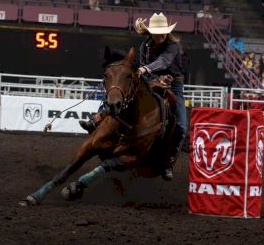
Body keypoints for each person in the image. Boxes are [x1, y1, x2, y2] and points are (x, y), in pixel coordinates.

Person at [80, 13, 186, 181]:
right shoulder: (145, 45)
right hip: (151, 79)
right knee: (123, 93)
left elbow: (164, 62)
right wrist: (150, 75)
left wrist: (146, 69)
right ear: (151, 32)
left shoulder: (173, 46)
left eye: (163, 32)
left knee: (181, 126)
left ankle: (168, 162)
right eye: (157, 32)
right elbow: (147, 67)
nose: (161, 35)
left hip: (174, 84)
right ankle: (99, 117)